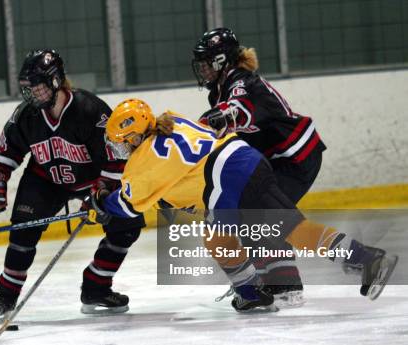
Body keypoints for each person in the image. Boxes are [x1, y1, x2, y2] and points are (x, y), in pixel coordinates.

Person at [84, 98, 397, 312]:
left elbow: (126, 206)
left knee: (220, 237)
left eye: (120, 140)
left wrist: (100, 204)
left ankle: (250, 293)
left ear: (135, 135)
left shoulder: (146, 158)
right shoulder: (170, 121)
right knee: (293, 231)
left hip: (228, 177)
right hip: (246, 160)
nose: (118, 148)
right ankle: (365, 258)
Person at [0, 49, 145, 321]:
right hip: (45, 178)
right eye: (28, 89)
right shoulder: (26, 116)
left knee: (127, 224)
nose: (33, 94)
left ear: (56, 81)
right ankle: (6, 296)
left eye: (39, 87)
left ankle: (96, 287)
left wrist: (101, 192)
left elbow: (117, 159)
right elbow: (6, 154)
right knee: (24, 231)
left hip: (92, 180)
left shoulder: (90, 110)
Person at [191, 28, 327, 304]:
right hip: (277, 159)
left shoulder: (240, 80)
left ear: (222, 60)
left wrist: (217, 118)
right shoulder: (218, 90)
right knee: (252, 217)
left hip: (294, 156)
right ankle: (269, 280)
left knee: (263, 217)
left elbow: (238, 109)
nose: (203, 69)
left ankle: (286, 286)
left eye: (207, 61)